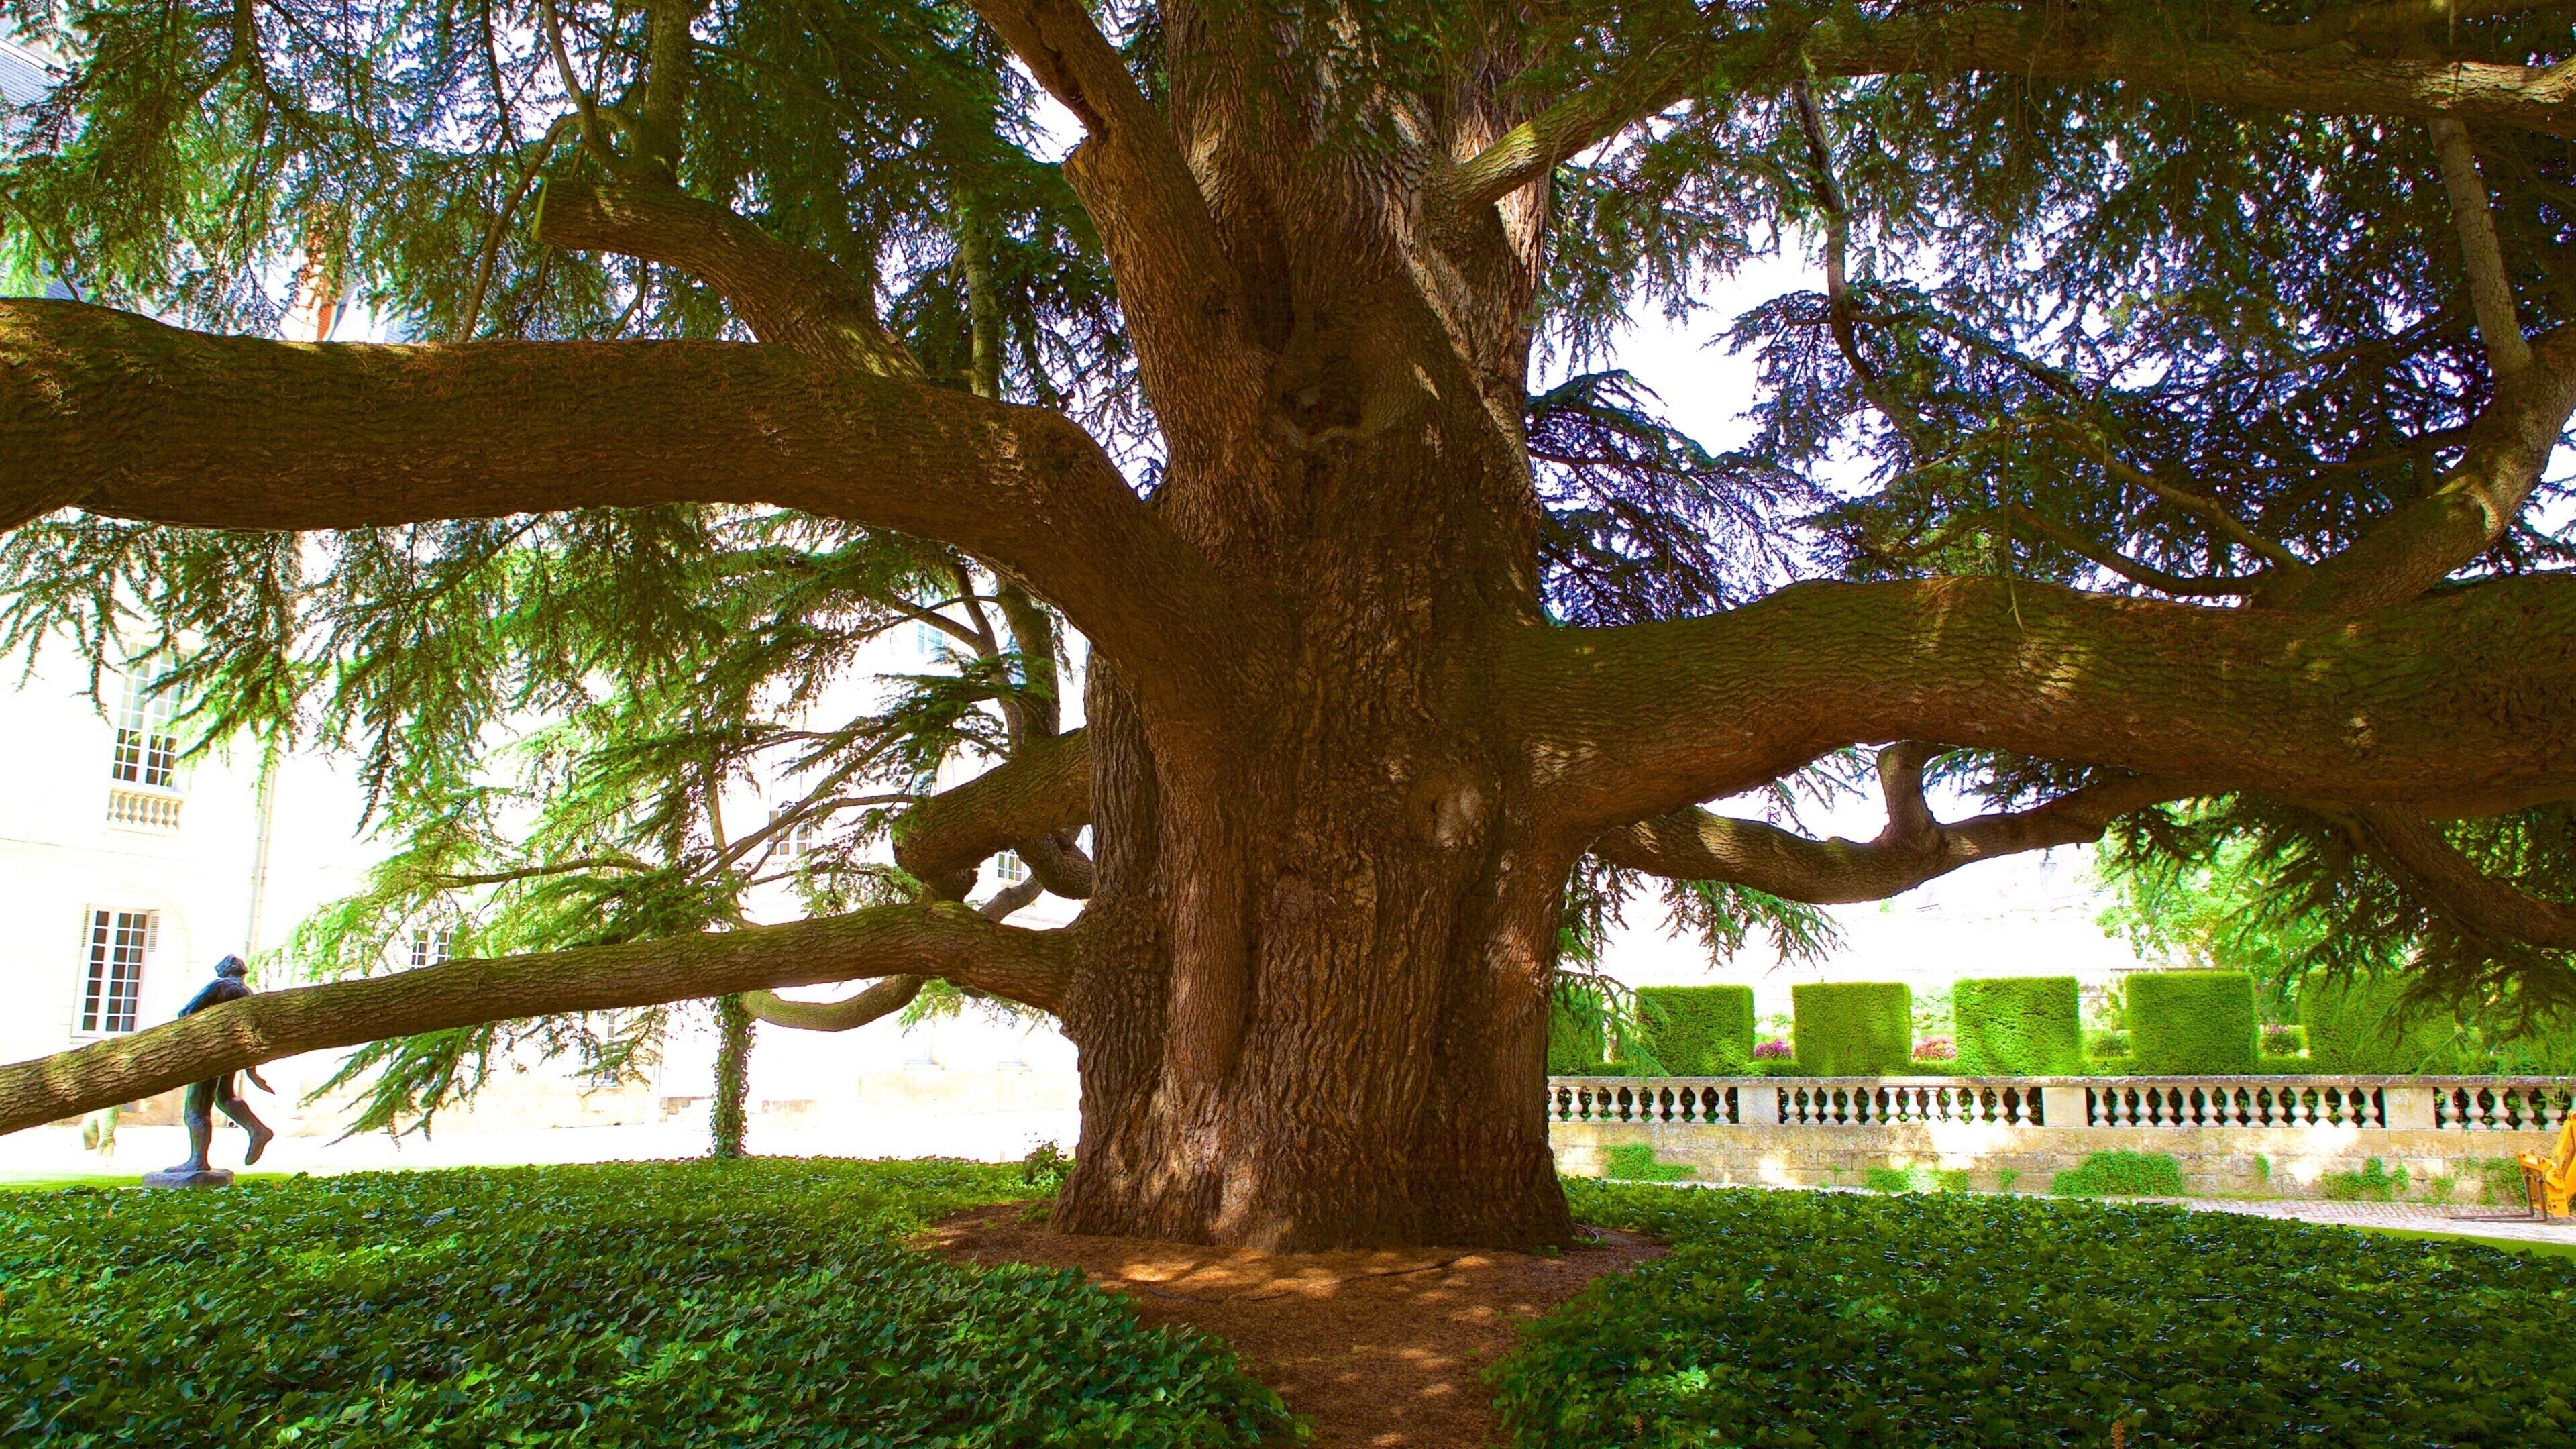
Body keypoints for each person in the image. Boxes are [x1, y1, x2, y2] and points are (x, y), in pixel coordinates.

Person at [160, 955, 276, 1175]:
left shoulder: (220, 986)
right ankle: (257, 1129)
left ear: (225, 970)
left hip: (210, 1053)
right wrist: (251, 1071)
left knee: (195, 1111)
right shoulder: (246, 992)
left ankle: (198, 1161)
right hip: (231, 1053)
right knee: (226, 1097)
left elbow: (186, 1012)